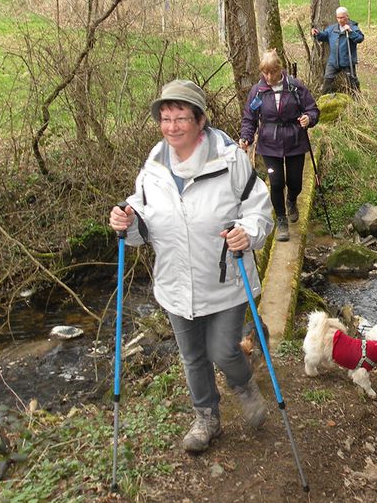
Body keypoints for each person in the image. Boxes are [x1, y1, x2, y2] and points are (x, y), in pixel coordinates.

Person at [108, 79, 273, 454]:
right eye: (165, 118)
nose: (172, 127)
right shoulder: (153, 167)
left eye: (181, 117)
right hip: (175, 284)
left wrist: (247, 232)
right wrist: (127, 222)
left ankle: (243, 384)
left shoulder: (230, 161)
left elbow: (258, 209)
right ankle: (207, 418)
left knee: (222, 350)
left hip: (226, 281)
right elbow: (142, 224)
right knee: (192, 356)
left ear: (200, 120)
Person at [239, 51, 319, 243]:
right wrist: (246, 137)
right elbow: (249, 118)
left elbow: (313, 109)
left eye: (272, 73)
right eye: (265, 73)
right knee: (275, 183)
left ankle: (291, 200)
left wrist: (309, 118)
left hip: (294, 141)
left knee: (295, 182)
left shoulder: (295, 87)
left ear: (279, 69)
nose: (268, 77)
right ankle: (281, 220)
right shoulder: (257, 91)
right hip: (269, 144)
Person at [312, 6, 364, 93]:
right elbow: (324, 36)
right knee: (327, 81)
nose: (340, 20)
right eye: (338, 18)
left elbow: (360, 39)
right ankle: (325, 100)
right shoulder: (333, 29)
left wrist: (350, 32)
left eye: (342, 18)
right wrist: (317, 34)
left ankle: (357, 100)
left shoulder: (353, 28)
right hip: (333, 61)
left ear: (347, 16)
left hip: (348, 62)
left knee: (352, 82)